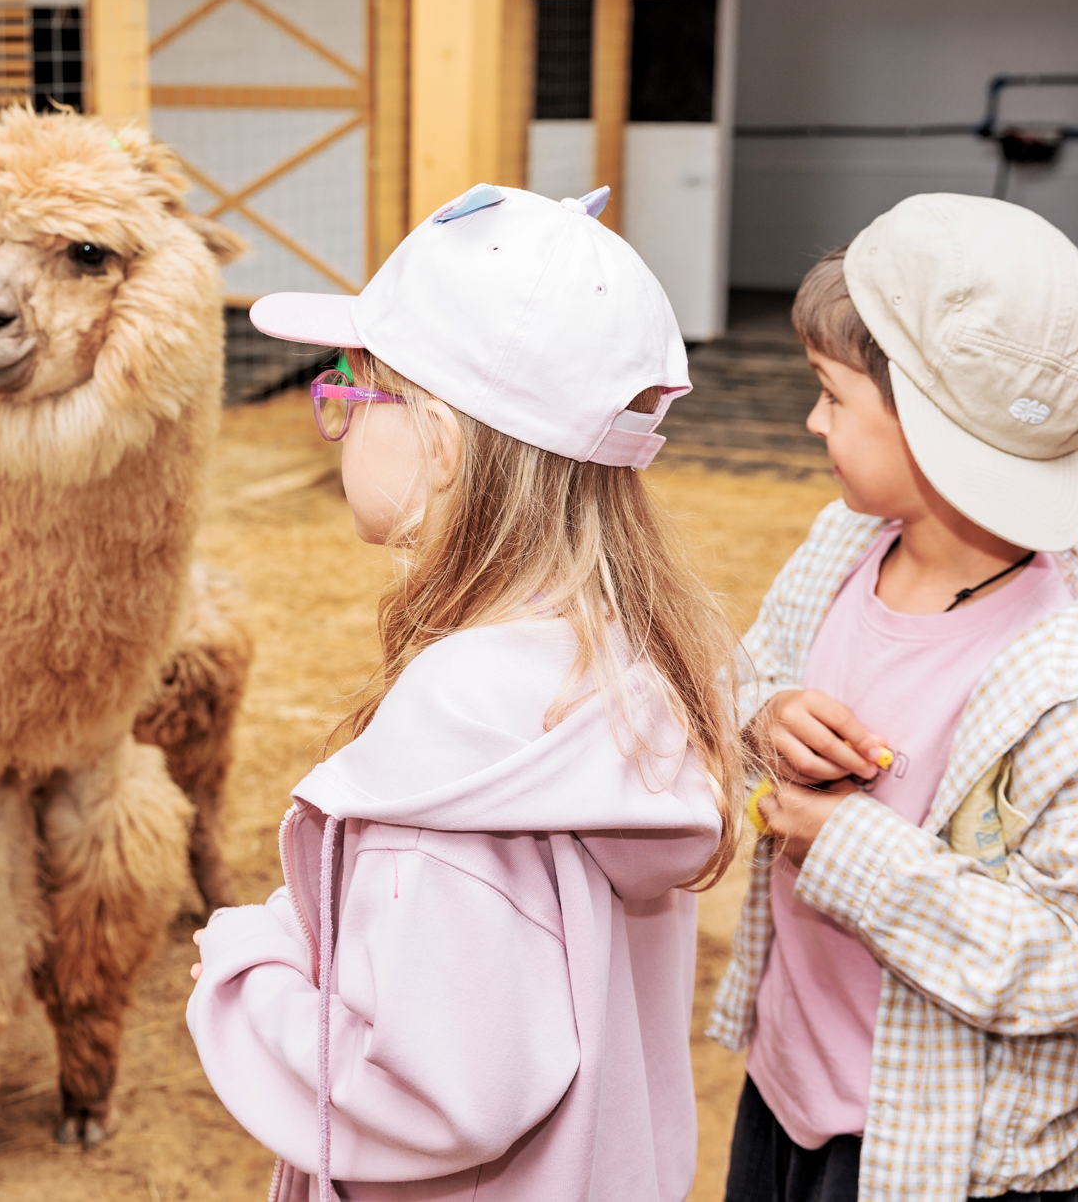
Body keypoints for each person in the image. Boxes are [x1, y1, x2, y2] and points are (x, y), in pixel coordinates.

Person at [185, 182, 753, 1201]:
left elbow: (427, 1094)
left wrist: (247, 966)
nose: (335, 417)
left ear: (440, 445)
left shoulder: (460, 752)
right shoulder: (629, 667)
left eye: (351, 391)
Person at [709, 194, 1078, 1202]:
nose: (810, 421)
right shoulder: (840, 551)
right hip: (789, 1093)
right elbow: (749, 667)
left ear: (930, 427)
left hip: (940, 1159)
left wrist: (845, 850)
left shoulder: (1063, 693)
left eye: (830, 397)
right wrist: (764, 715)